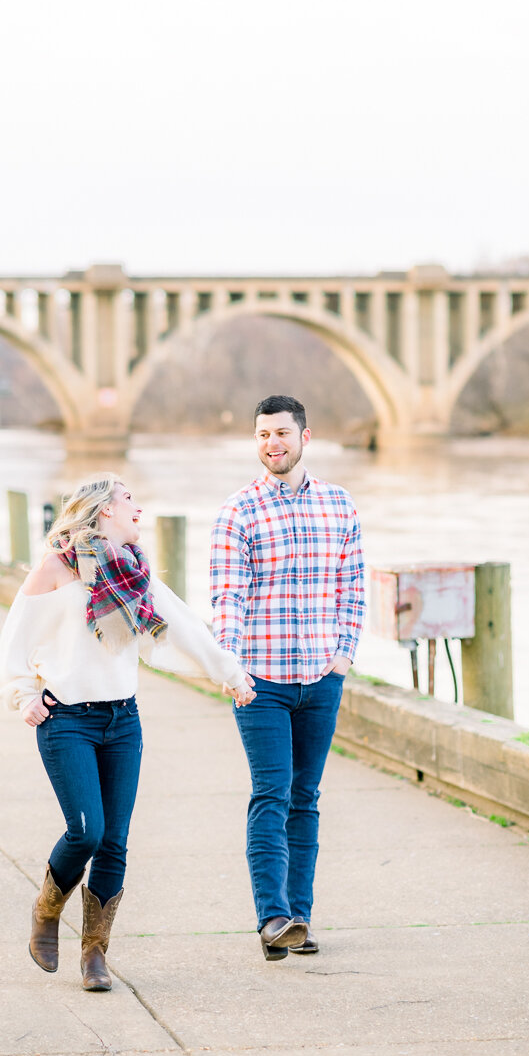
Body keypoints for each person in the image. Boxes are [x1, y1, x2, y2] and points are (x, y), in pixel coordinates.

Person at [0, 472, 255, 992]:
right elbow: (15, 640)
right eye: (129, 499)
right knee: (86, 832)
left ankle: (95, 955)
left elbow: (180, 624)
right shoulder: (56, 568)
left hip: (122, 722)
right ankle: (47, 908)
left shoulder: (135, 572)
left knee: (114, 842)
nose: (138, 508)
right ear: (102, 509)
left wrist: (229, 672)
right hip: (67, 720)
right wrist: (23, 694)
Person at [209, 395, 365, 961]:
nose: (271, 443)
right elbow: (228, 595)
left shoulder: (339, 505)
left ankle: (300, 916)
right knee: (271, 794)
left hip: (322, 677)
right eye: (261, 435)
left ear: (304, 437)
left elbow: (352, 587)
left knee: (307, 797)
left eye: (281, 433)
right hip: (261, 681)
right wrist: (229, 663)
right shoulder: (238, 511)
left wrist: (343, 656)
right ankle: (272, 918)